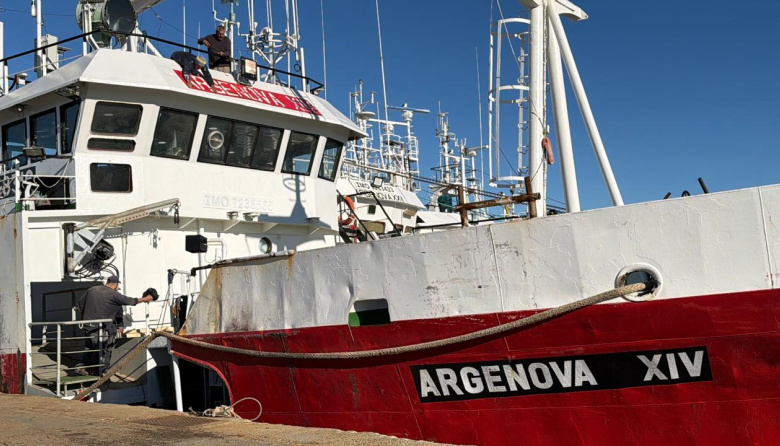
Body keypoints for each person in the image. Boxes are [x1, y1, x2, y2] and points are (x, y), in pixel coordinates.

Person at [77, 276, 157, 375]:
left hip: (88, 326)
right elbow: (131, 301)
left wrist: (84, 318)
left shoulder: (92, 290)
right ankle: (100, 371)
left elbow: (80, 303)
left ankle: (82, 368)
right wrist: (146, 298)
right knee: (103, 349)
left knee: (90, 347)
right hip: (102, 328)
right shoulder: (114, 294)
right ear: (115, 284)